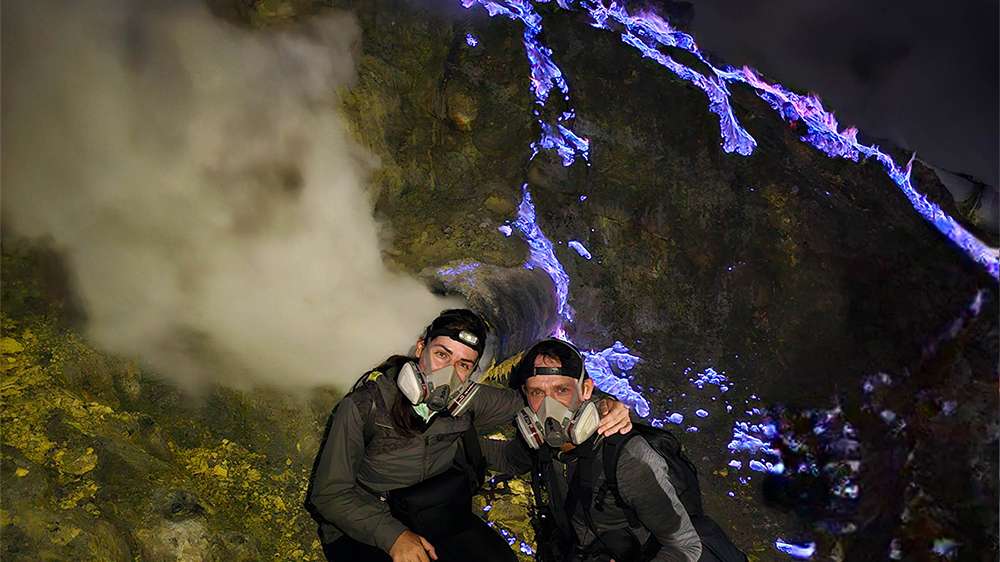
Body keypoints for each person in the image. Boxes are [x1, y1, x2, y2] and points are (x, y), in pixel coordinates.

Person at [306, 309, 633, 562]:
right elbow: (329, 494)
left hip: (436, 513)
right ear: (421, 348)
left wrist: (601, 404)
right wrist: (393, 536)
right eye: (442, 355)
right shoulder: (364, 406)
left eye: (464, 365)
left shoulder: (467, 400)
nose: (449, 373)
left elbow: (543, 396)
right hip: (365, 523)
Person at [482, 338, 705, 562]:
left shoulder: (628, 458)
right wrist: (453, 436)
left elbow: (685, 545)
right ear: (525, 394)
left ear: (586, 389)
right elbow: (509, 460)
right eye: (537, 393)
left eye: (561, 390)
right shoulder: (541, 441)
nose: (549, 407)